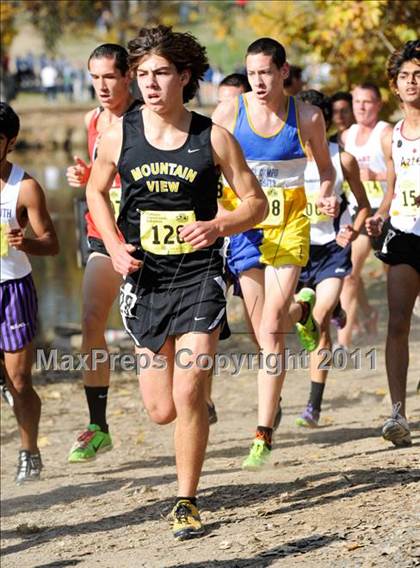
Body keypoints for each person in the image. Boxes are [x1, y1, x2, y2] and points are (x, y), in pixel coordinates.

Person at [86, 25, 267, 540]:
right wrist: (116, 246)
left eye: (161, 73)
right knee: (161, 409)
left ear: (184, 76)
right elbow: (97, 192)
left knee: (186, 392)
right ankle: (196, 407)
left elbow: (255, 204)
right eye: (142, 74)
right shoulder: (120, 132)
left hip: (199, 276)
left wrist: (218, 225)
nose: (150, 83)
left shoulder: (213, 137)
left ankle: (186, 500)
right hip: (146, 279)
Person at [213, 37, 337, 470]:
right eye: (252, 73)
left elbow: (325, 171)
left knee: (269, 325)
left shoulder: (306, 116)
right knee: (264, 332)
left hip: (290, 227)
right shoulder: (230, 113)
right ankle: (305, 316)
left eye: (266, 72)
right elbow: (208, 168)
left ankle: (262, 434)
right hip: (245, 229)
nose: (259, 81)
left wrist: (326, 196)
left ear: (284, 71)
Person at [66, 44, 139, 463]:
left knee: (158, 336)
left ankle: (196, 395)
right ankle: (99, 426)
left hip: (144, 240)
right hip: (101, 235)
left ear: (127, 75)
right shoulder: (92, 119)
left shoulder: (144, 118)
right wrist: (86, 176)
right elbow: (100, 176)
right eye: (95, 78)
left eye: (109, 76)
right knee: (92, 319)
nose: (102, 86)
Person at [295, 90, 370, 426]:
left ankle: (313, 404)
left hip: (332, 250)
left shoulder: (343, 160)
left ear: (321, 121)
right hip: (295, 251)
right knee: (305, 317)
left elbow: (364, 205)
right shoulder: (286, 160)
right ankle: (335, 308)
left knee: (319, 318)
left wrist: (351, 230)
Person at [0, 102, 59, 484]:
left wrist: (25, 243)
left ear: (10, 142)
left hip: (13, 292)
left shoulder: (25, 187)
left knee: (20, 382)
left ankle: (29, 451)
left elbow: (52, 244)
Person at [366, 40, 420, 447]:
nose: (412, 82)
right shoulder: (392, 137)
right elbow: (392, 186)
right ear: (395, 85)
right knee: (398, 322)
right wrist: (380, 214)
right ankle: (397, 414)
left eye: (418, 75)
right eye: (405, 76)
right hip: (403, 234)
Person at [338, 83, 393, 349]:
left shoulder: (386, 133)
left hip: (388, 215)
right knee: (349, 274)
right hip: (360, 212)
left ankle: (391, 321)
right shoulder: (347, 135)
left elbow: (403, 175)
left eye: (367, 102)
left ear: (378, 104)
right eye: (357, 101)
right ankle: (343, 342)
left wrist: (375, 175)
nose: (360, 107)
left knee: (394, 277)